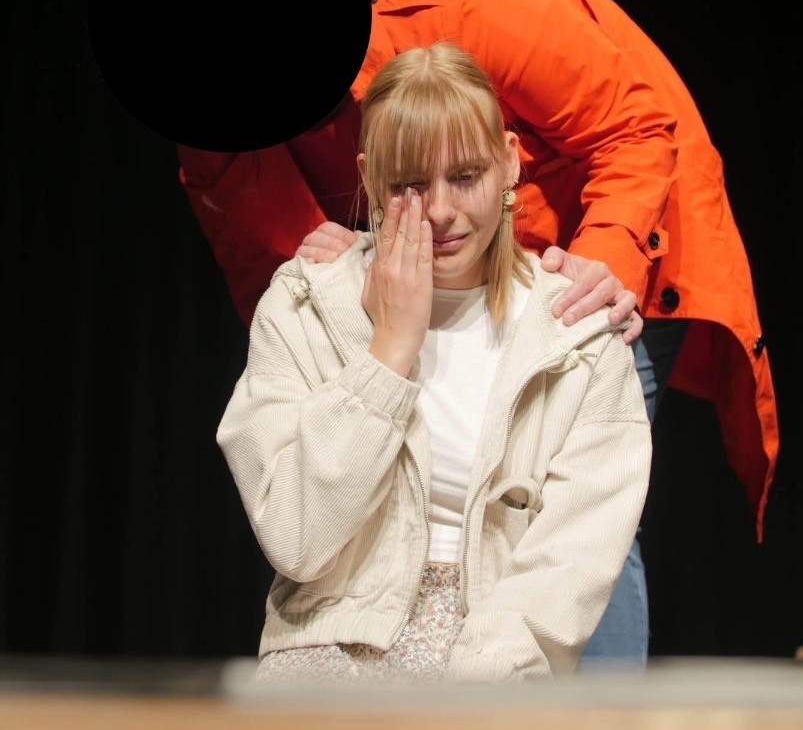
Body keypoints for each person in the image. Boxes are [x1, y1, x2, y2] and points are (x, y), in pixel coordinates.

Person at [177, 0, 778, 666]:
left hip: (605, 222)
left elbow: (634, 128)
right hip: (414, 278)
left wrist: (599, 266)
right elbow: (260, 249)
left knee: (574, 516)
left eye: (463, 176)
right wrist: (332, 299)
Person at [215, 42, 652, 683]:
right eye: (409, 185)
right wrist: (389, 351)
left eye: (466, 177)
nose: (441, 210)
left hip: (497, 669)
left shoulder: (577, 337)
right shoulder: (307, 303)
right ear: (369, 179)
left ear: (510, 161)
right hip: (321, 658)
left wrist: (469, 697)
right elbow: (297, 539)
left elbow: (569, 568)